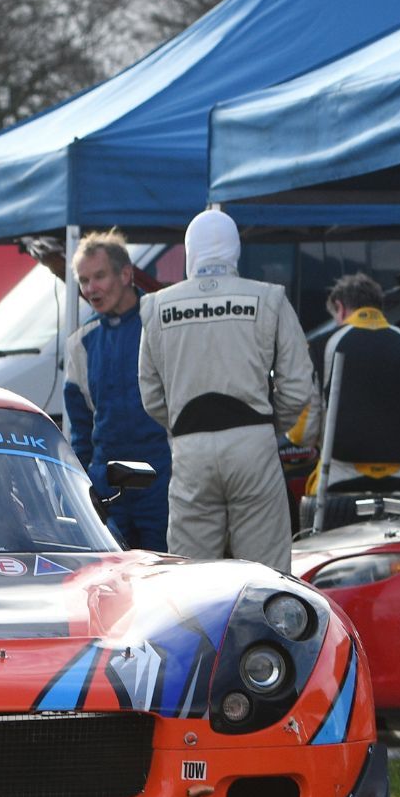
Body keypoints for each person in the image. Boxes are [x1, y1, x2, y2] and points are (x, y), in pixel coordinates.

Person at [137, 209, 315, 570]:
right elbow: (297, 384)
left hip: (190, 447)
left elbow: (150, 394)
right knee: (266, 576)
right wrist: (267, 426)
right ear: (235, 251)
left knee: (192, 577)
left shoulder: (157, 307)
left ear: (189, 252)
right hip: (254, 442)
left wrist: (181, 427)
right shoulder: (269, 299)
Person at [63, 230, 171, 550]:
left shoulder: (160, 325)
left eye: (99, 277)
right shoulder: (80, 343)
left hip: (161, 481)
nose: (91, 289)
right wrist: (82, 488)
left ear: (126, 274)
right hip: (108, 486)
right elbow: (80, 430)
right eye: (83, 281)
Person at [307, 272, 400, 493]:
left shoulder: (322, 346)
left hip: (338, 484)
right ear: (380, 307)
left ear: (340, 307)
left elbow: (304, 432)